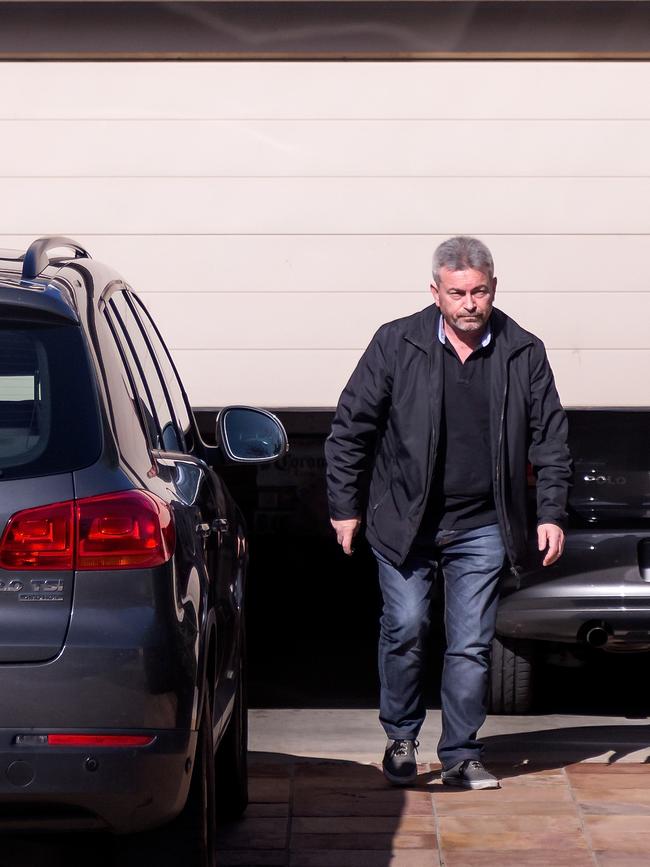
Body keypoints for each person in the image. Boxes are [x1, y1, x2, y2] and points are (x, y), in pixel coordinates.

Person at [325, 236, 571, 790]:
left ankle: (461, 753)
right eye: (457, 292)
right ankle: (402, 739)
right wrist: (345, 506)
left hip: (483, 524)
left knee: (471, 642)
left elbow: (550, 439)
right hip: (403, 524)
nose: (469, 303)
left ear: (493, 288)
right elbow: (350, 430)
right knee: (407, 628)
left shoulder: (522, 350)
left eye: (479, 291)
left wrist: (550, 512)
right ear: (435, 291)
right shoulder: (396, 343)